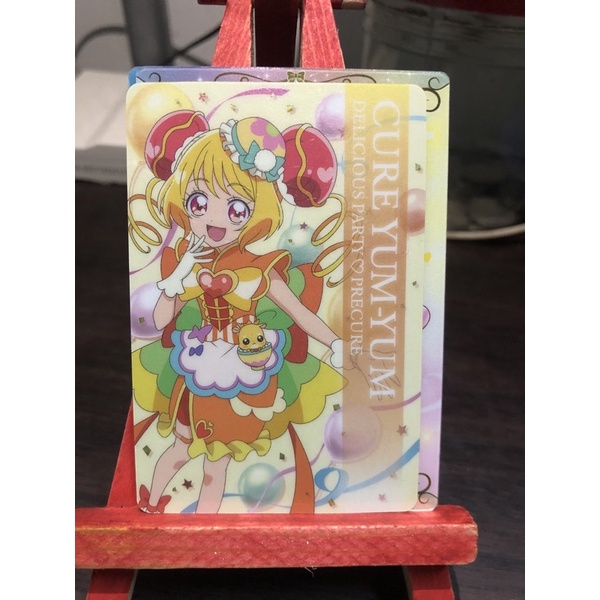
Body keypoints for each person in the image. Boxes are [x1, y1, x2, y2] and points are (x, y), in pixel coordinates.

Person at [129, 112, 347, 514]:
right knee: (179, 448)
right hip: (199, 365)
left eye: (236, 209)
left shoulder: (259, 268)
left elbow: (298, 312)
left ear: (257, 212)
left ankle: (205, 531)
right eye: (199, 202)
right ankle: (151, 505)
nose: (214, 219)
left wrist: (334, 343)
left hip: (244, 365)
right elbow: (159, 321)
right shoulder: (188, 260)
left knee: (217, 464)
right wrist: (177, 275)